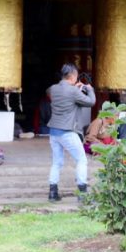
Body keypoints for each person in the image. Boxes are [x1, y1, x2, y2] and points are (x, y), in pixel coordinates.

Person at [47, 63, 95, 203]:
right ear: (73, 75)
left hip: (53, 132)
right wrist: (89, 89)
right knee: (81, 160)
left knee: (57, 162)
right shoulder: (74, 92)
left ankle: (53, 193)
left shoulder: (53, 89)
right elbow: (91, 102)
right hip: (67, 131)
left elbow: (62, 95)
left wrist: (75, 89)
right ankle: (83, 194)